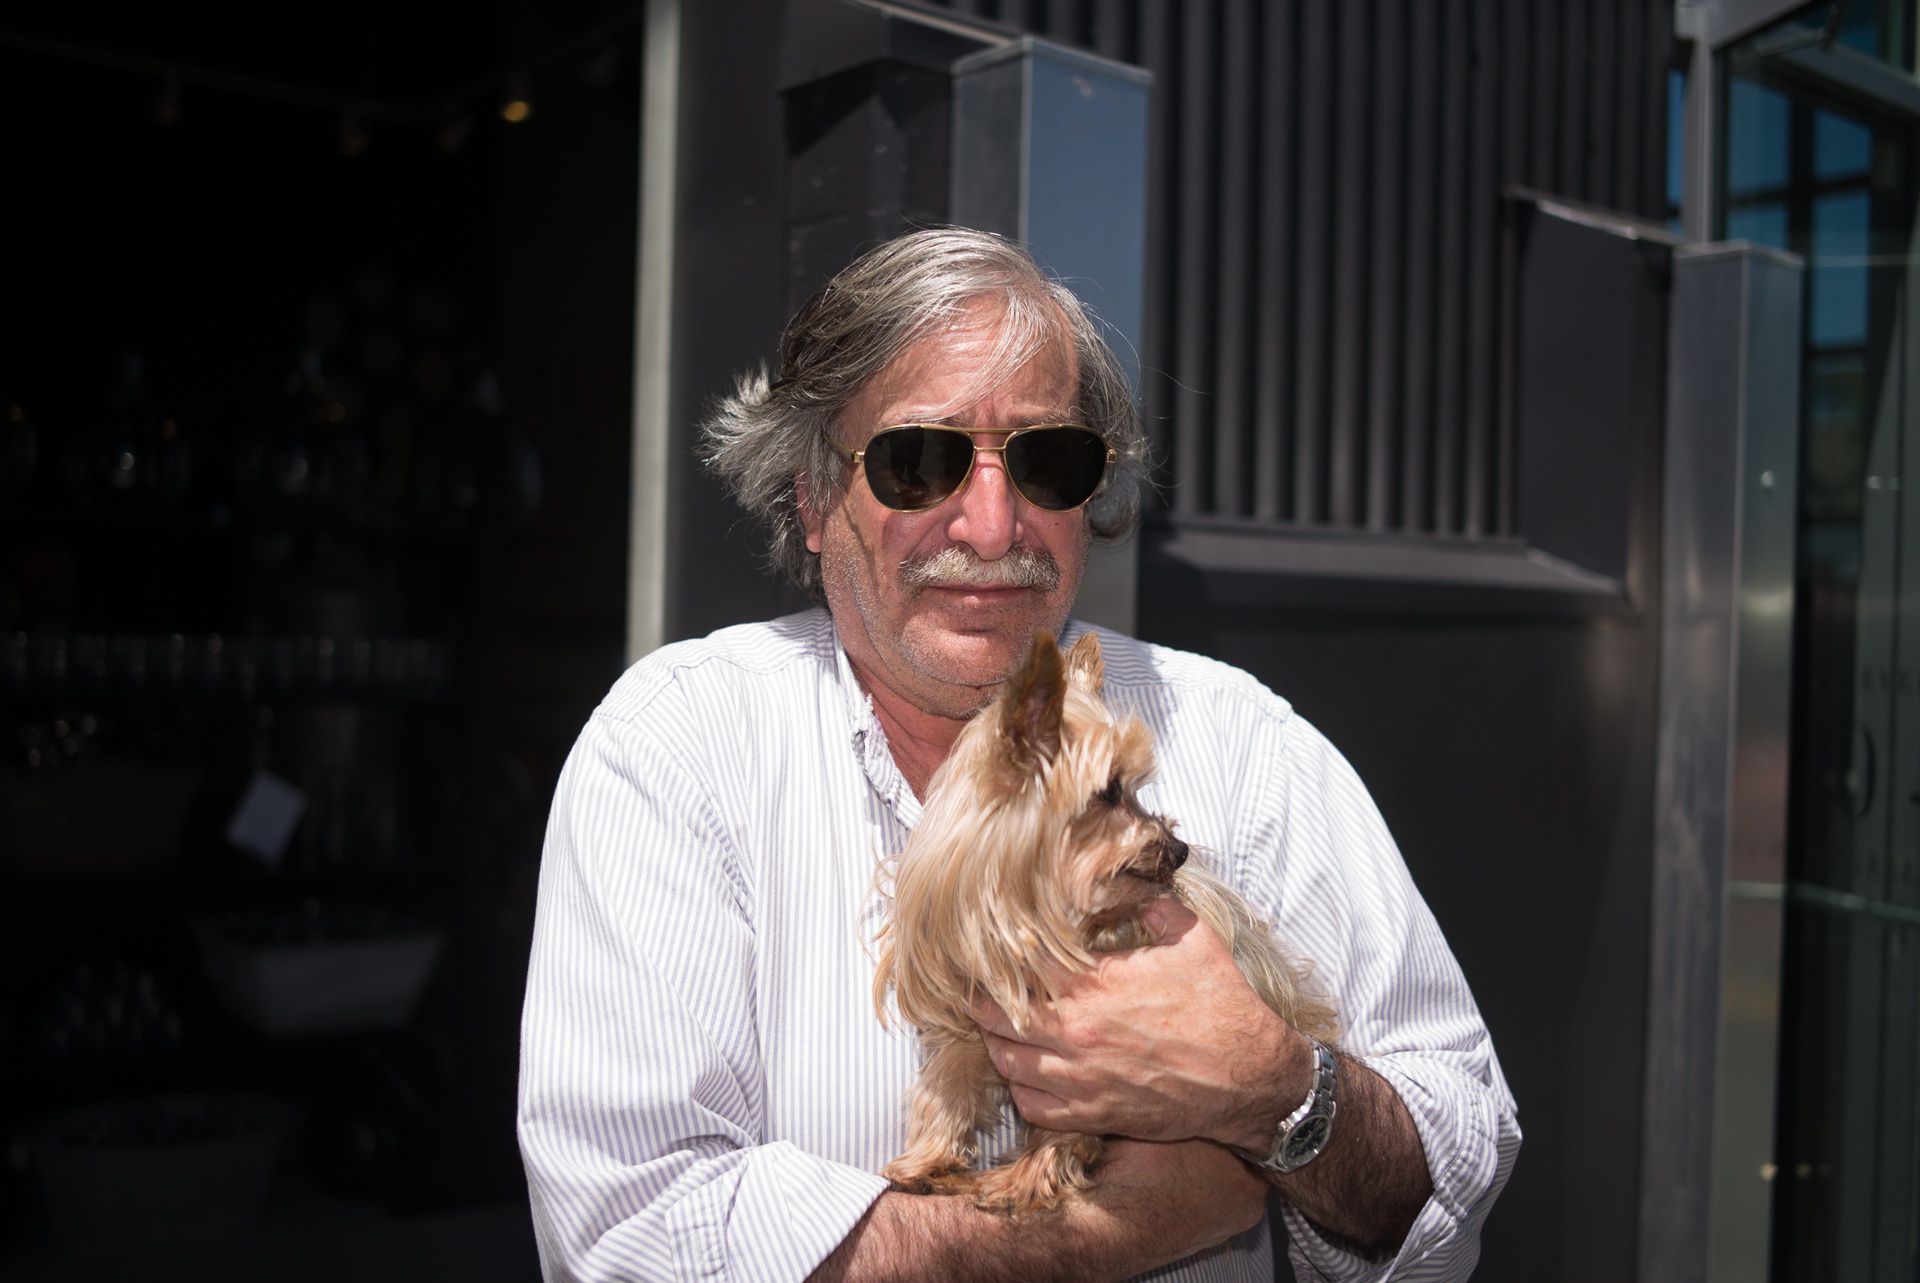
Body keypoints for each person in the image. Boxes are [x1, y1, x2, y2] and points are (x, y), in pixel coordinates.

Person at [517, 228, 1519, 1282]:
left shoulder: (1240, 742)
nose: (994, 525)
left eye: (1047, 461)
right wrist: (1106, 1231)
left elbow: (1458, 1168)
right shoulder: (679, 753)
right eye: (918, 461)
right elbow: (634, 1236)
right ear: (813, 500)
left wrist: (1279, 1089)